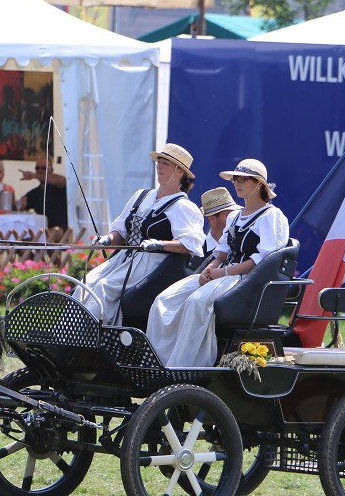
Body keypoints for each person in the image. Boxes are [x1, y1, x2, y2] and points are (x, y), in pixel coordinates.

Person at [146, 158, 289, 368]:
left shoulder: (271, 216)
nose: (237, 183)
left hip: (246, 281)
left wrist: (224, 272)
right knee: (164, 299)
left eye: (242, 179)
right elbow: (221, 251)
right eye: (234, 179)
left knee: (196, 302)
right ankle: (157, 361)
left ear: (258, 183)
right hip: (223, 273)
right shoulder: (235, 216)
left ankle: (185, 365)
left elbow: (263, 260)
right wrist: (209, 269)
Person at [73, 143, 204, 326]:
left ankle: (91, 336)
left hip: (153, 266)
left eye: (166, 163)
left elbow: (191, 245)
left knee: (104, 288)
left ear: (180, 171)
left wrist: (159, 244)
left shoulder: (183, 206)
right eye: (159, 161)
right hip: (124, 259)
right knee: (86, 284)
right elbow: (120, 230)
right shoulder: (141, 196)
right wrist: (107, 239)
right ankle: (66, 338)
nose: (159, 166)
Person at [188, 186, 243, 271]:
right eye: (229, 215)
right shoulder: (198, 253)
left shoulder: (243, 244)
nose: (235, 218)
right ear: (212, 219)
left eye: (236, 214)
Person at [18, 155, 67, 231]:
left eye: (44, 168)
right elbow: (20, 207)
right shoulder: (34, 193)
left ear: (52, 170)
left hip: (61, 228)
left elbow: (61, 180)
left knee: (54, 232)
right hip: (41, 229)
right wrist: (21, 205)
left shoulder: (59, 185)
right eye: (37, 168)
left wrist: (34, 176)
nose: (40, 170)